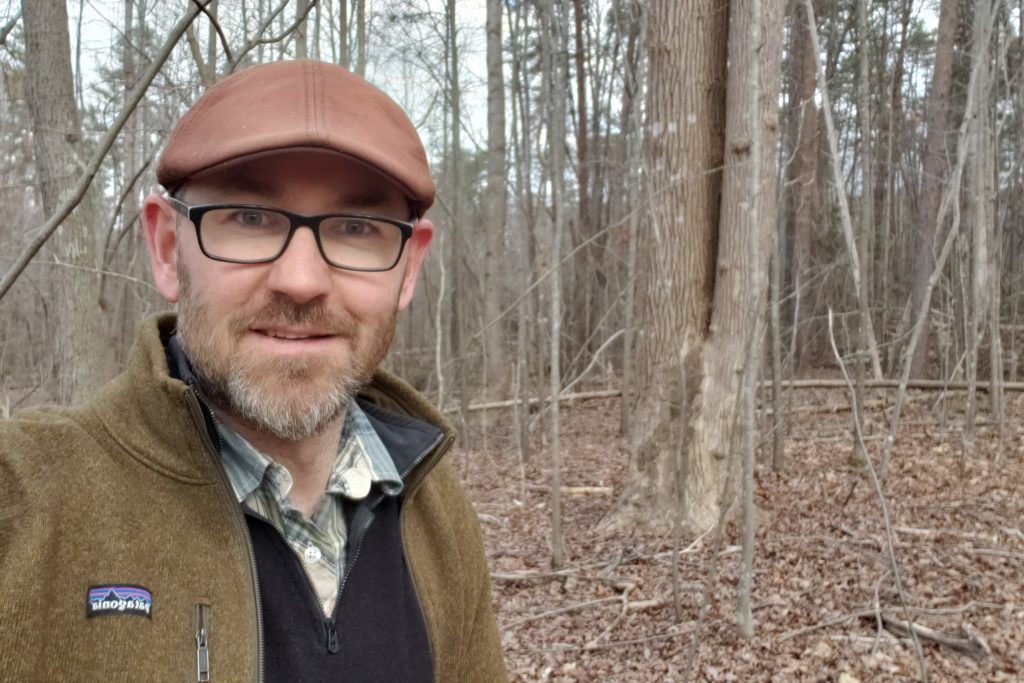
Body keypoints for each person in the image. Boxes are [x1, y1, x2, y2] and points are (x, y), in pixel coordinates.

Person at [0, 59, 507, 682]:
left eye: (355, 228)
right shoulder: (24, 503)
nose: (301, 281)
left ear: (407, 268)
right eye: (249, 218)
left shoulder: (435, 507)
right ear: (166, 249)